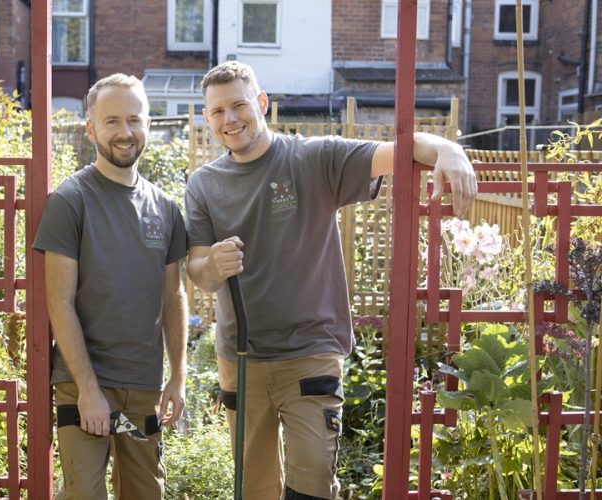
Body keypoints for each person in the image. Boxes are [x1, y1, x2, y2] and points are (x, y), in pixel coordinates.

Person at [185, 61, 477, 500]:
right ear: (207, 118)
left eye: (240, 105)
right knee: (254, 490)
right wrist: (213, 266)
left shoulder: (311, 158)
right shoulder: (203, 184)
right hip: (241, 359)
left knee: (312, 487)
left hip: (309, 353)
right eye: (218, 111)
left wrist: (448, 150)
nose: (230, 119)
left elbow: (401, 149)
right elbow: (198, 270)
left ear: (262, 103)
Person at [34, 73, 188, 500]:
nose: (125, 132)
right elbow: (59, 301)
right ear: (91, 128)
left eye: (135, 120)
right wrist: (88, 389)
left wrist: (178, 375)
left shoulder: (166, 208)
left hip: (143, 386)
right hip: (83, 382)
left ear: (148, 125)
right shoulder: (71, 200)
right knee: (84, 494)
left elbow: (173, 297)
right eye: (112, 121)